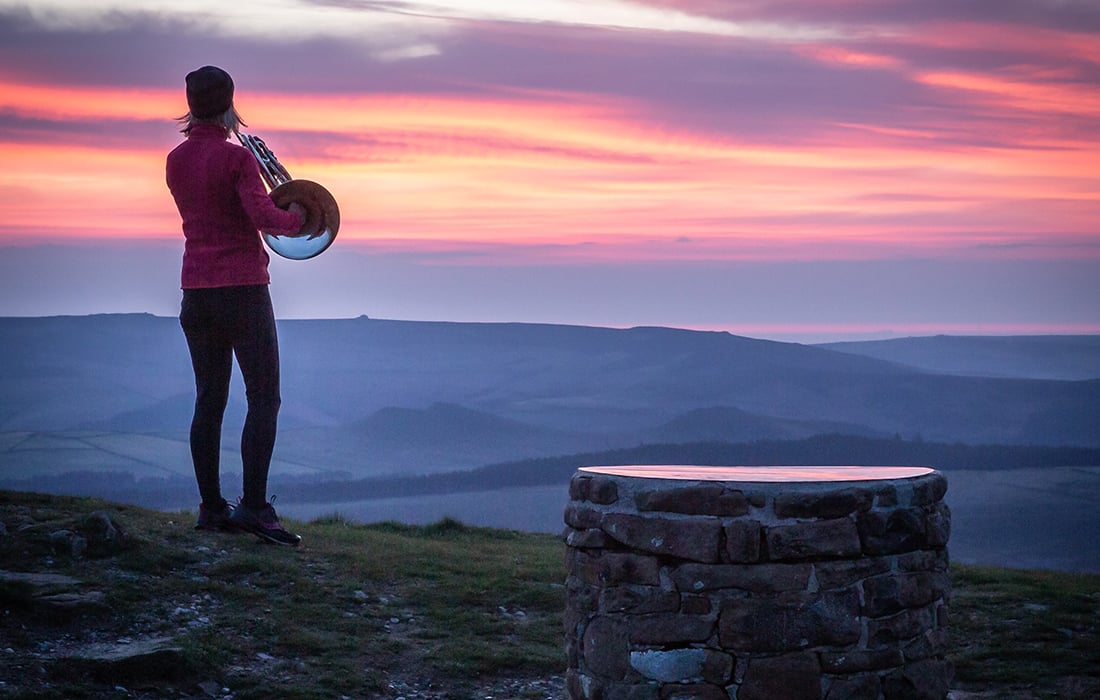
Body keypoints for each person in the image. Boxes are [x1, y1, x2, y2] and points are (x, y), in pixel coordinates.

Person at [166, 65, 304, 546]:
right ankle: (255, 508)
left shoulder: (175, 160)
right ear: (229, 103)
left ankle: (210, 507)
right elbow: (264, 216)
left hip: (195, 293)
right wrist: (299, 214)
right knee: (264, 397)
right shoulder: (239, 160)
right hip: (243, 290)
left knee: (209, 399)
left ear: (190, 104)